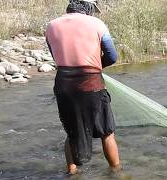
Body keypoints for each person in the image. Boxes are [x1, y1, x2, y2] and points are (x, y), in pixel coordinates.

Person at [45, 0, 121, 175]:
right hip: (91, 84)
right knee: (106, 131)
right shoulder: (97, 24)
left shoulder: (51, 26)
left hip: (63, 85)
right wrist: (96, 67)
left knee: (72, 130)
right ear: (88, 7)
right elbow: (112, 56)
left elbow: (56, 56)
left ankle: (72, 173)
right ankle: (117, 172)